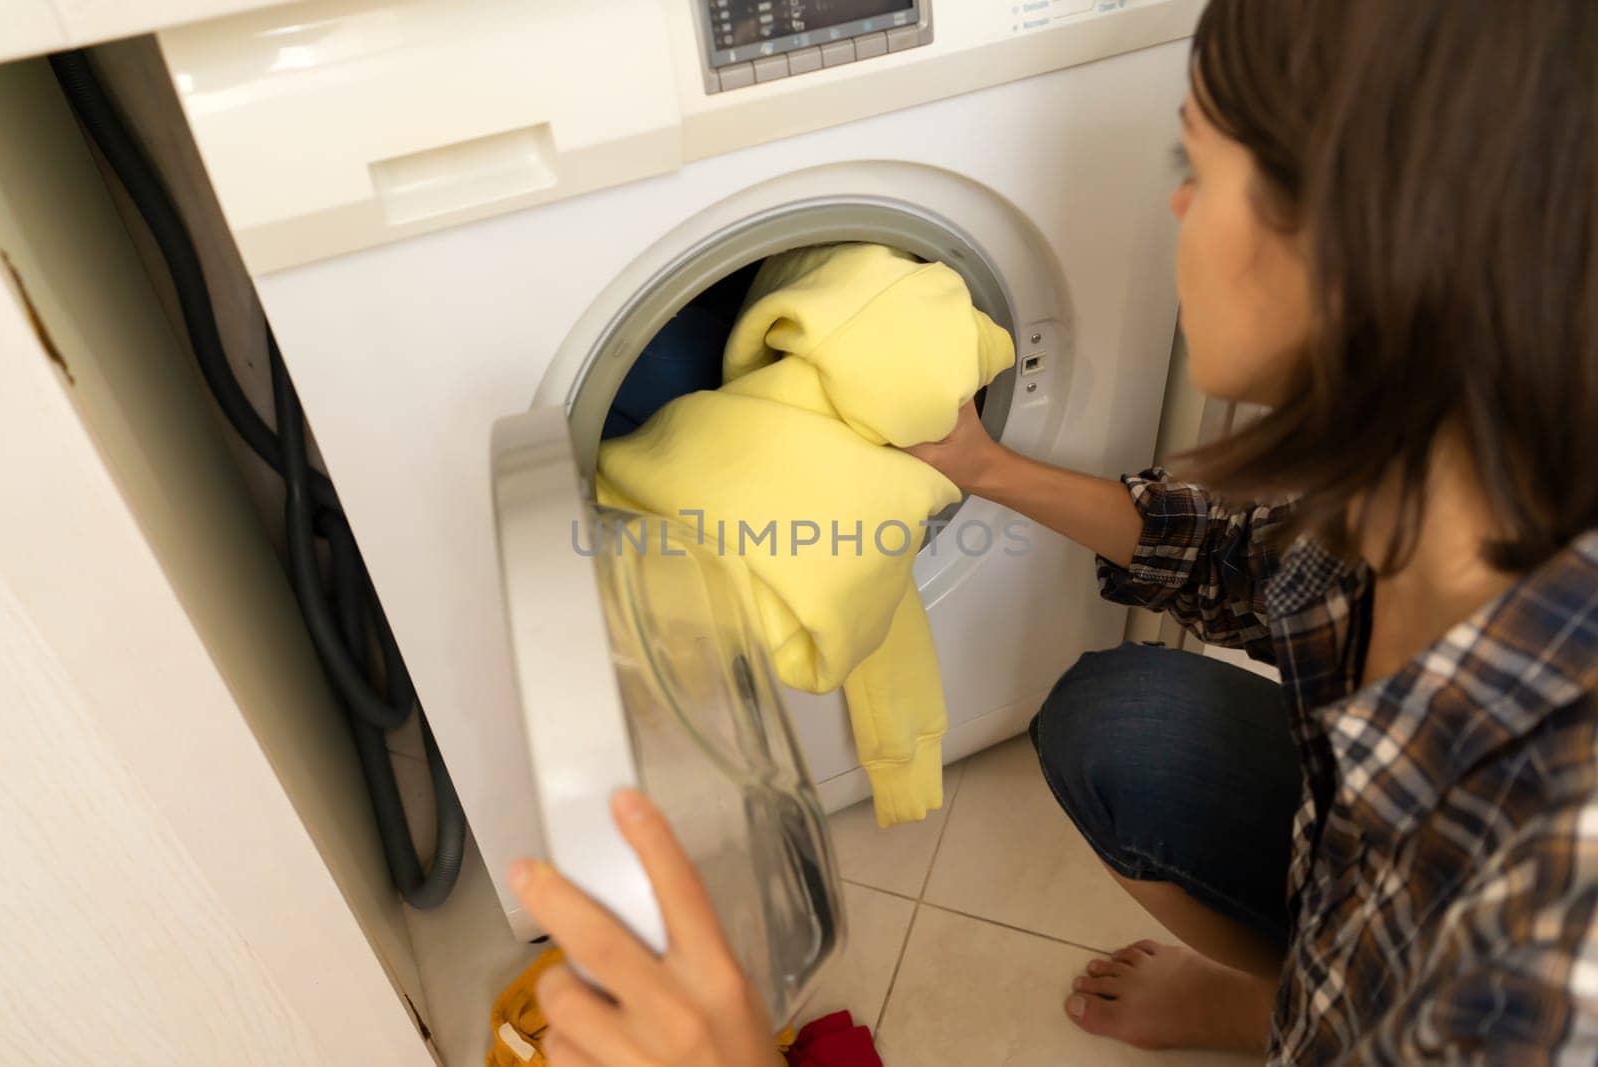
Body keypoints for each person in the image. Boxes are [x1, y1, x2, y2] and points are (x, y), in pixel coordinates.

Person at [508, 0, 1598, 1061]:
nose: (1175, 211)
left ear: (1354, 253)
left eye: (1196, 170)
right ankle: (1277, 1008)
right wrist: (986, 468)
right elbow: (1234, 558)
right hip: (1355, 918)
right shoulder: (1440, 494)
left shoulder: (1538, 976)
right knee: (1111, 719)